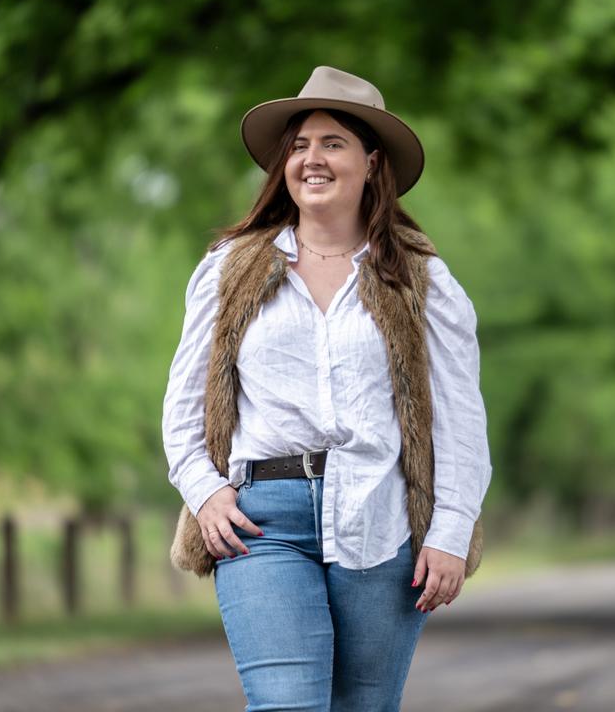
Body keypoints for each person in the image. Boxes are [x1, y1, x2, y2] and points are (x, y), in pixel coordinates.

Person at [161, 66, 492, 711]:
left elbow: (461, 421)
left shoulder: (422, 280)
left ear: (372, 163)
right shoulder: (228, 270)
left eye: (332, 143)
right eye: (299, 144)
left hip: (381, 519)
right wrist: (205, 493)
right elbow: (182, 411)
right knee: (285, 704)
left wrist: (450, 530)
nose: (311, 158)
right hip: (262, 522)